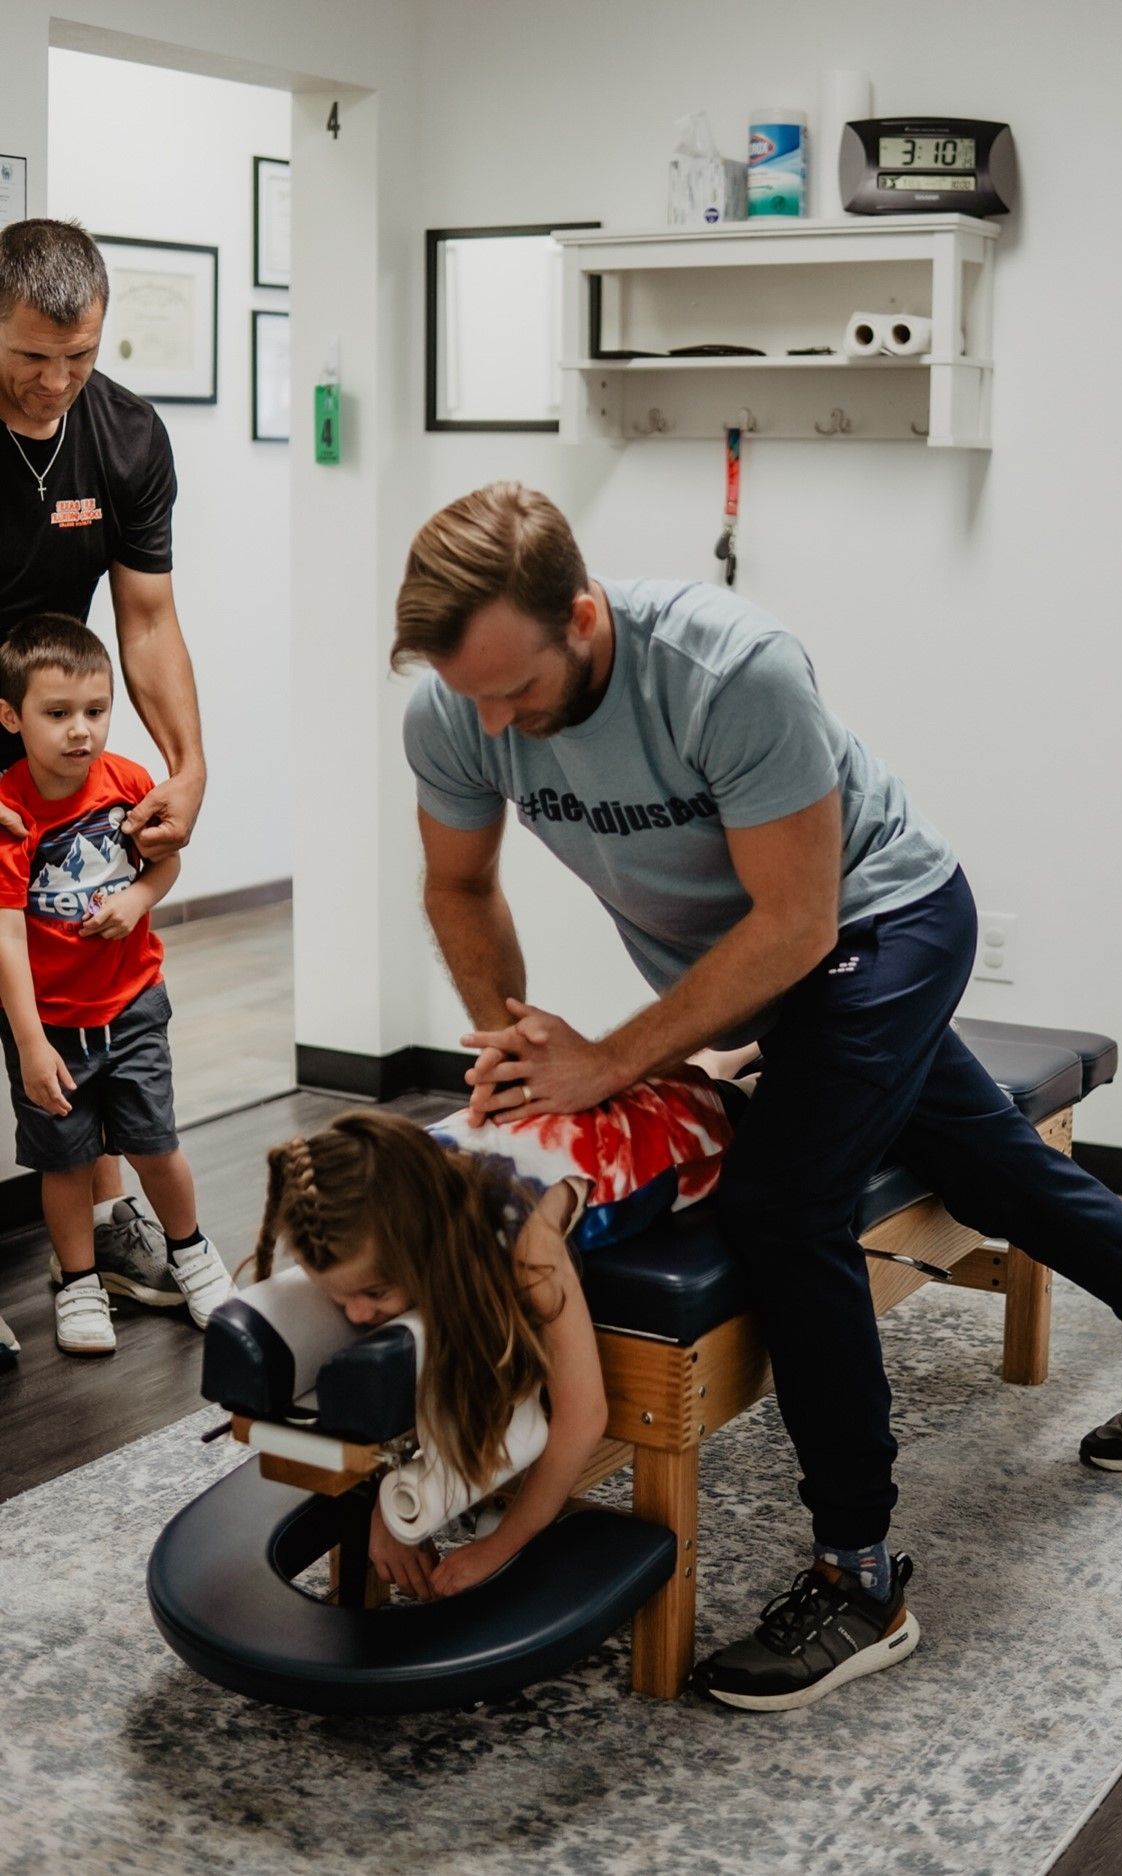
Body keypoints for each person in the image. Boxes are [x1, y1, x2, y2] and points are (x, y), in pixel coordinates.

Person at [392, 480, 1122, 1712]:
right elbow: (461, 888)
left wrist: (615, 1058)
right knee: (983, 1162)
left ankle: (859, 1577)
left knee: (784, 1200)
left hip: (881, 922)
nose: (497, 725)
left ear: (580, 617)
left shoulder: (727, 668)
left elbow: (796, 926)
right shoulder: (457, 709)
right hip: (757, 960)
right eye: (470, 696)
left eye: (517, 691)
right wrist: (511, 1042)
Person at [252, 1072, 737, 1598]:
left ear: (424, 1247)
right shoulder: (400, 1182)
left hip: (684, 1137)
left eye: (374, 1291)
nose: (358, 1314)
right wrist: (381, 1513)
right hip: (589, 1110)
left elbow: (583, 1416)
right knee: (700, 1069)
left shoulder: (525, 1245)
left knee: (732, 1095)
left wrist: (502, 1543)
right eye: (339, 1296)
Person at [0, 218, 207, 1313]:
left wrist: (188, 764)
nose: (54, 382)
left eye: (77, 357)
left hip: (52, 752)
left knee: (87, 991)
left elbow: (149, 617)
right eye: (32, 356)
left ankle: (116, 1236)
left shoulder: (125, 436)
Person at [0, 615, 233, 1355]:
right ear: (11, 717)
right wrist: (31, 1044)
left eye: (95, 712)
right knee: (66, 1162)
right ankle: (79, 1285)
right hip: (54, 1024)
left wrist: (140, 898)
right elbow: (5, 936)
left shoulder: (129, 782)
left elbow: (163, 862)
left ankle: (193, 1255)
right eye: (57, 714)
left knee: (155, 1144)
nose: (80, 732)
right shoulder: (12, 812)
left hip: (132, 1005)